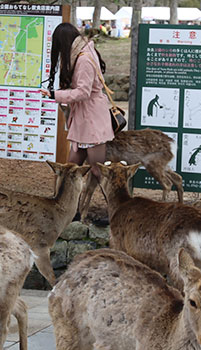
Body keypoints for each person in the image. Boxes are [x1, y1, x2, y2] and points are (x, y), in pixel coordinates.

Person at [40, 22, 113, 220]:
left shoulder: (84, 60)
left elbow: (83, 92)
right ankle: (68, 210)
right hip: (84, 120)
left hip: (91, 121)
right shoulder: (82, 53)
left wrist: (55, 95)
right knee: (71, 169)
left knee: (98, 171)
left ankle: (117, 212)